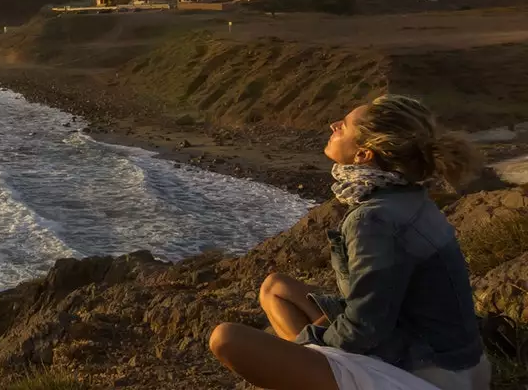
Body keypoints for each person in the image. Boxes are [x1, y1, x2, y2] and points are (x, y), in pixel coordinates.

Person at [209, 95, 490, 390]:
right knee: (275, 287)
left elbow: (365, 329)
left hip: (426, 376)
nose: (333, 126)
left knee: (226, 339)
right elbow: (380, 306)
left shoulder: (373, 219)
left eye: (342, 126)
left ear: (363, 155)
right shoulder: (409, 195)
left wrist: (305, 345)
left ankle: (303, 370)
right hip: (459, 363)